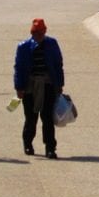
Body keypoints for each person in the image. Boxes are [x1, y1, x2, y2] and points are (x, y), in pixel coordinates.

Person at [13, 18, 64, 159]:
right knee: (31, 118)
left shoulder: (52, 44)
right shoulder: (23, 47)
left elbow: (58, 64)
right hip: (30, 87)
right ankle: (28, 143)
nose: (39, 35)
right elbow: (18, 68)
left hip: (48, 85)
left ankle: (50, 148)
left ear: (45, 31)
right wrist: (19, 87)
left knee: (47, 118)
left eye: (41, 32)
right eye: (36, 32)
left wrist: (59, 85)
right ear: (32, 32)